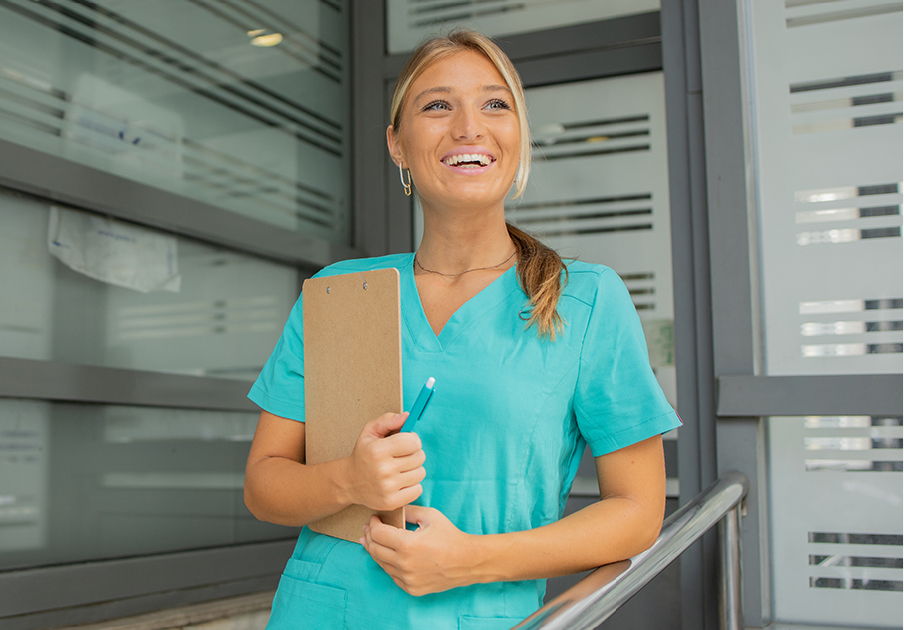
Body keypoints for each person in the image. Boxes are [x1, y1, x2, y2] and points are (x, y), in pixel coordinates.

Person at [243, 29, 680, 629]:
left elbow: (637, 512)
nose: (469, 127)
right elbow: (265, 486)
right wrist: (348, 479)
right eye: (437, 105)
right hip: (321, 612)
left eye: (495, 104)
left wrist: (470, 561)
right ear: (397, 144)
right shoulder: (340, 293)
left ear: (517, 137)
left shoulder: (586, 300)